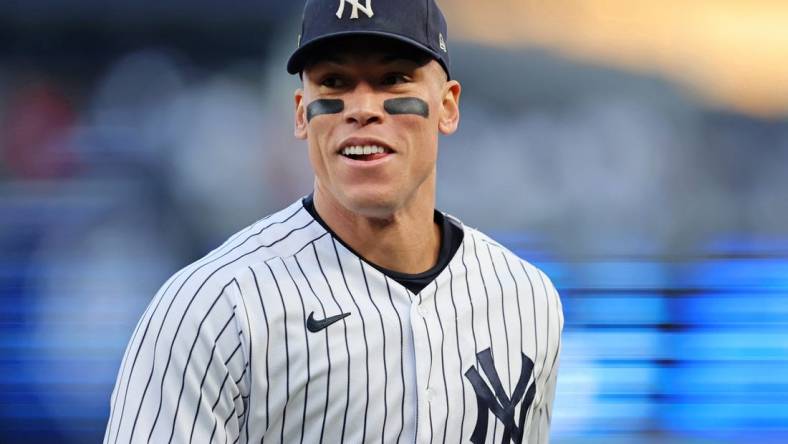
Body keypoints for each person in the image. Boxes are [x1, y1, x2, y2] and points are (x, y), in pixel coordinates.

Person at [103, 0, 563, 442]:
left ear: (447, 106)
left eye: (393, 79)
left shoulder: (526, 299)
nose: (362, 108)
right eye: (335, 82)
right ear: (302, 113)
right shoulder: (215, 308)